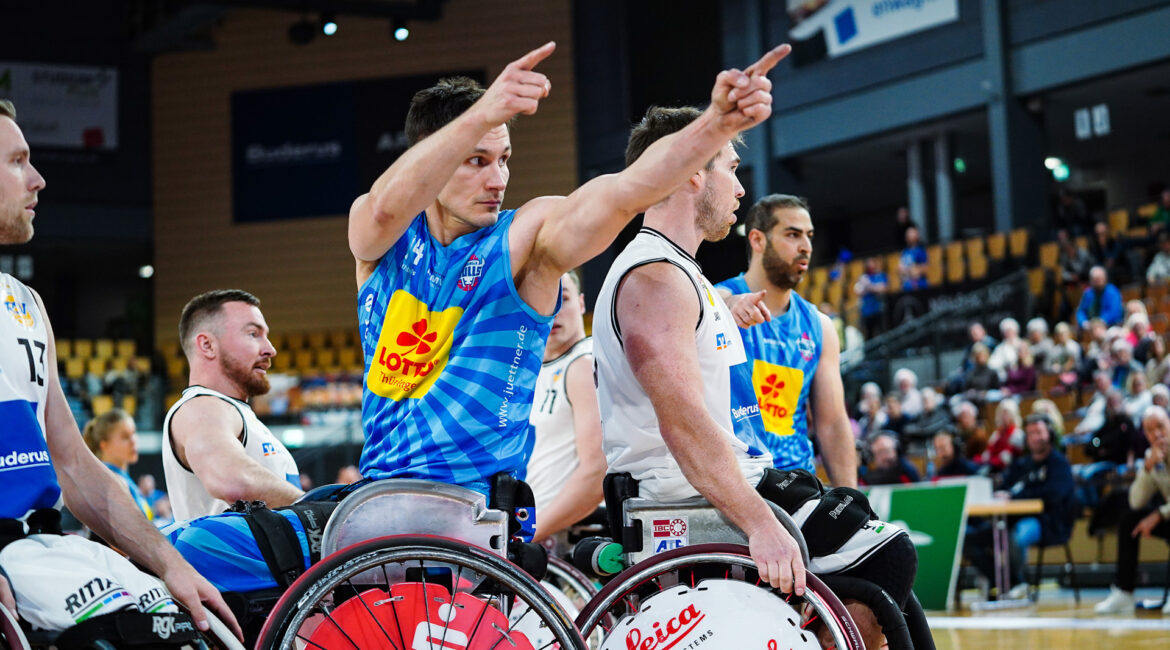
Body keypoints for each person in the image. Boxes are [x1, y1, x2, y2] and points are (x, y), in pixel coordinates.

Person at [350, 42, 790, 501]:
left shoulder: (527, 237)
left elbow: (625, 191)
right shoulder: (383, 240)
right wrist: (479, 117)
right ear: (432, 157)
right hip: (377, 493)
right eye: (477, 160)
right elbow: (382, 209)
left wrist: (712, 127)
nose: (498, 180)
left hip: (471, 504)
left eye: (504, 160)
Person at [593, 105, 916, 650]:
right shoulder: (654, 277)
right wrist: (760, 523)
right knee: (888, 553)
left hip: (720, 478)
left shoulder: (679, 273)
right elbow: (683, 425)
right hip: (681, 495)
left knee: (864, 539)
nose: (740, 189)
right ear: (694, 171)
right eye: (731, 168)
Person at [0, 100, 238, 636]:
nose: (37, 179)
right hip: (11, 568)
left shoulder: (26, 304)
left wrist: (171, 564)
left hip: (43, 547)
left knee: (188, 625)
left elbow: (79, 467)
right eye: (17, 162)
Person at [715, 194, 857, 487]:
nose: (805, 247)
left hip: (797, 482)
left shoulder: (819, 326)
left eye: (809, 236)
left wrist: (852, 499)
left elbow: (831, 424)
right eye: (792, 235)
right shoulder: (716, 302)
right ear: (757, 240)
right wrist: (728, 306)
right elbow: (714, 301)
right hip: (737, 480)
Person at [162, 290, 302, 520]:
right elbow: (232, 480)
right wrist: (316, 508)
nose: (270, 349)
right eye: (253, 334)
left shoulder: (233, 411)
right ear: (207, 345)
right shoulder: (201, 406)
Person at [527, 270, 605, 543]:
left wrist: (529, 535)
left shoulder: (584, 364)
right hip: (539, 534)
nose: (556, 310)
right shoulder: (536, 368)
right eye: (546, 299)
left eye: (565, 298)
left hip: (561, 543)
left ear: (582, 304)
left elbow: (596, 473)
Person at [964, 414, 1076, 598]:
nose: (1035, 437)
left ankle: (1016, 583)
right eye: (1030, 433)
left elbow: (1053, 494)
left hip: (1048, 522)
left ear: (1049, 434)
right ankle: (1009, 582)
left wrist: (1015, 497)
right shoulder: (1022, 464)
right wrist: (1004, 495)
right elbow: (1003, 488)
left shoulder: (1059, 464)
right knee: (968, 538)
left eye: (1039, 432)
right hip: (1011, 518)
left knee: (1014, 535)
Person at [1094, 405, 1170, 615]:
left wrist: (1159, 515)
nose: (1156, 434)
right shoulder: (1151, 456)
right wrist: (1147, 467)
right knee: (1129, 519)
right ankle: (1124, 593)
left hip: (1166, 514)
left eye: (1161, 427)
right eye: (1149, 430)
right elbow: (1136, 501)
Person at [82, 409, 152, 520]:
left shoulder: (119, 477)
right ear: (104, 445)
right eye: (125, 437)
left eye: (134, 433)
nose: (133, 441)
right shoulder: (113, 480)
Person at [853, 256, 887, 338]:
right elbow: (857, 291)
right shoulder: (864, 277)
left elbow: (883, 289)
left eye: (871, 262)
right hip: (866, 311)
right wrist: (871, 287)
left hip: (878, 309)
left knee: (881, 332)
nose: (869, 264)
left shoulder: (880, 275)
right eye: (868, 262)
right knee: (868, 334)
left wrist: (869, 286)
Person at [898, 225, 927, 291]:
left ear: (917, 235)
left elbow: (925, 267)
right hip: (907, 282)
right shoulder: (904, 252)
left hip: (919, 282)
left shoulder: (921, 251)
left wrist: (915, 270)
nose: (910, 235)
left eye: (912, 233)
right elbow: (900, 268)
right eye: (908, 233)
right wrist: (905, 271)